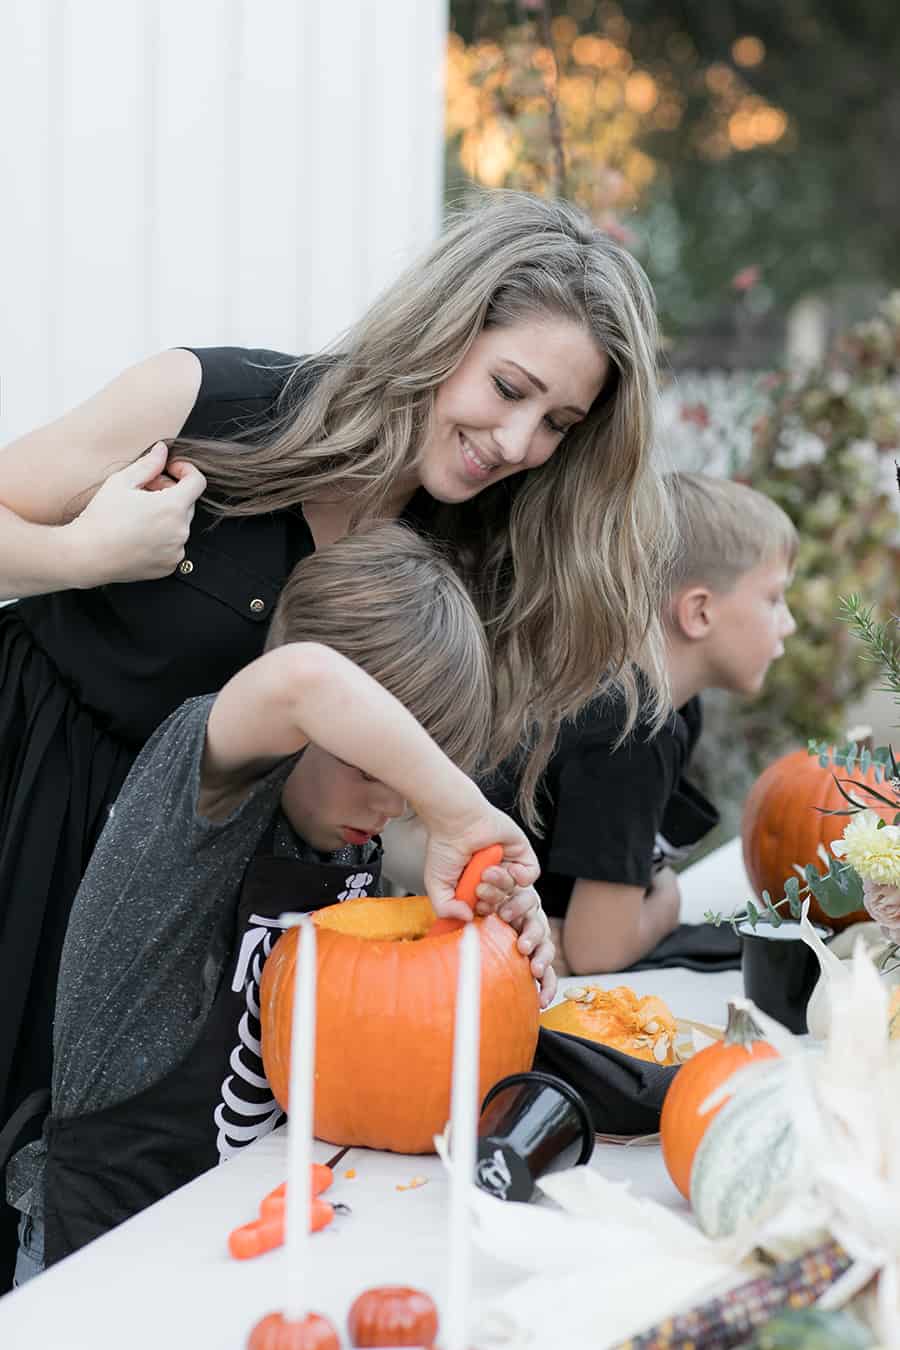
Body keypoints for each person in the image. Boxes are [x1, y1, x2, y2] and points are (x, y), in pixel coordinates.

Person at [0, 190, 671, 1284]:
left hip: (215, 894)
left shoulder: (463, 545)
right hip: (39, 806)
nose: (518, 443)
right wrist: (90, 553)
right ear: (444, 329)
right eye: (509, 389)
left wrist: (491, 905)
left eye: (559, 425)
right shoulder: (213, 402)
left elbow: (384, 798)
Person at [7, 524, 554, 1281]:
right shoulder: (199, 792)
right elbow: (304, 679)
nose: (397, 800)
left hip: (239, 1246)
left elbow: (403, 1018)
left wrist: (498, 943)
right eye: (375, 762)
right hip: (97, 1253)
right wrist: (454, 806)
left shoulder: (347, 843)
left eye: (418, 773)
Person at [383, 474, 797, 976]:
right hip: (472, 965)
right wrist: (666, 899)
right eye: (774, 599)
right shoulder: (634, 731)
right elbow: (598, 950)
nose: (788, 624)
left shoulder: (645, 701)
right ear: (699, 612)